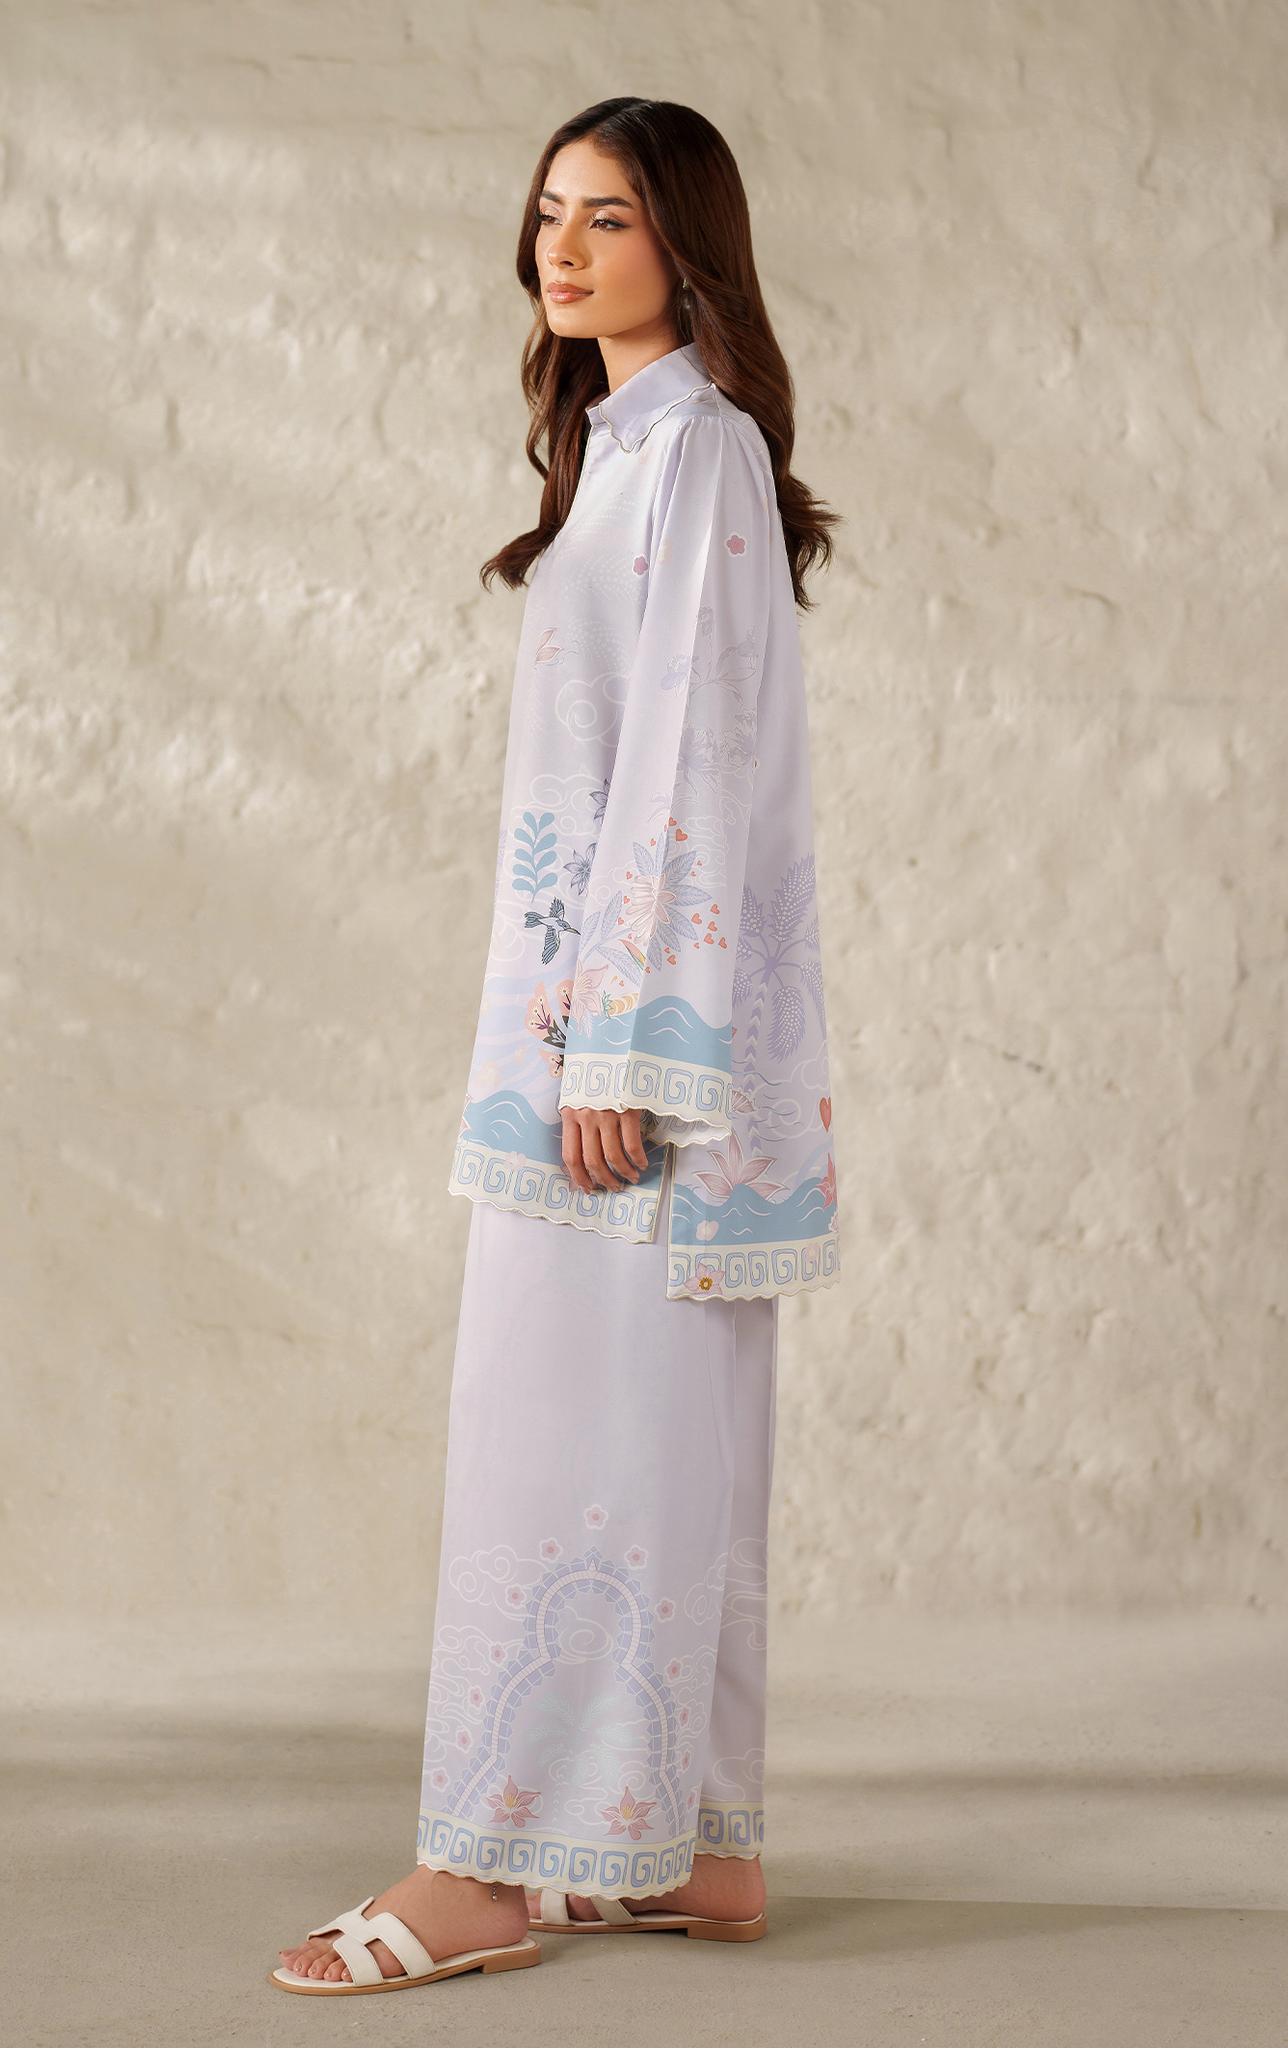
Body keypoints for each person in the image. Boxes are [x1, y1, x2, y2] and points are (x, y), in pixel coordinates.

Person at [273, 94, 838, 1998]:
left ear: (688, 240)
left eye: (606, 216)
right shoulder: (623, 448)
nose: (564, 249)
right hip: (583, 1019)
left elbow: (692, 756)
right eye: (546, 215)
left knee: (559, 1430)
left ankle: (488, 1866)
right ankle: (693, 1847)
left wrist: (624, 1050)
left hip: (618, 1053)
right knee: (656, 1433)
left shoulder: (699, 450)